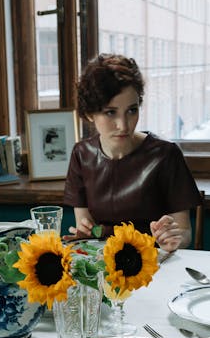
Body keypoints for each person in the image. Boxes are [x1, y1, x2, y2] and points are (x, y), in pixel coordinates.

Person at [63, 53, 202, 252]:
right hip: (105, 268)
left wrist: (174, 239)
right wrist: (85, 232)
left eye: (132, 110)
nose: (124, 125)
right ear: (89, 113)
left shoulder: (166, 155)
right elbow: (87, 229)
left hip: (156, 267)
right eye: (111, 112)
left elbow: (184, 232)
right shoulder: (81, 154)